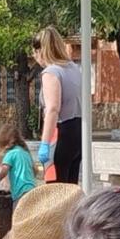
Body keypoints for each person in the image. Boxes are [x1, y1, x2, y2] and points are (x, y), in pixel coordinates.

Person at [32, 27, 83, 184]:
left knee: (54, 190)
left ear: (41, 50)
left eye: (34, 52)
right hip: (78, 132)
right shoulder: (74, 68)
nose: (34, 57)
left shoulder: (51, 72)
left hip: (60, 134)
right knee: (70, 189)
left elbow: (53, 109)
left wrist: (45, 143)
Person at [0, 123, 37, 203]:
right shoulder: (25, 153)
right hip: (32, 190)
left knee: (17, 215)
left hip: (20, 192)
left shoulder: (11, 154)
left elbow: (3, 172)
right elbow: (34, 171)